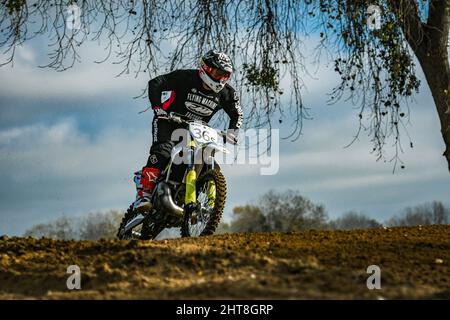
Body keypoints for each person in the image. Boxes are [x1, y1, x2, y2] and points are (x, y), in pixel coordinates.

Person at [133, 50, 244, 212]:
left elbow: (237, 113)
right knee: (163, 152)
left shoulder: (227, 93)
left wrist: (233, 131)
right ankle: (144, 192)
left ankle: (206, 204)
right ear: (206, 68)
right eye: (218, 73)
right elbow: (155, 83)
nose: (221, 79)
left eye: (225, 76)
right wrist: (158, 108)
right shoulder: (185, 77)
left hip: (197, 130)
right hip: (168, 121)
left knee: (208, 163)